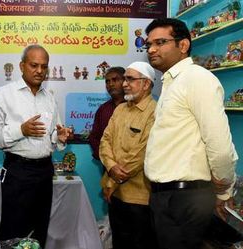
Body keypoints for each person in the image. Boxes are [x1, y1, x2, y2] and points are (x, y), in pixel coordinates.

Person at [144, 18, 238, 249]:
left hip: (185, 200)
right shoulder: (171, 83)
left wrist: (224, 192)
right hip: (166, 198)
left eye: (160, 42)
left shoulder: (197, 79)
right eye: (148, 44)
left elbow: (220, 146)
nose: (151, 49)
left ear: (183, 45)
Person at [0, 45, 72, 247]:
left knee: (39, 228)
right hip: (17, 170)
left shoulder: (49, 97)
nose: (39, 71)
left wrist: (59, 137)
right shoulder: (4, 94)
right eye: (34, 65)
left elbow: (50, 136)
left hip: (44, 171)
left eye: (44, 66)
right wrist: (21, 130)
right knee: (13, 229)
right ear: (22, 66)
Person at [99, 62, 157, 249]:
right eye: (125, 79)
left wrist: (112, 180)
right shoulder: (120, 109)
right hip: (114, 195)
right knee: (119, 243)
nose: (124, 84)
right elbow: (105, 141)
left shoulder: (156, 112)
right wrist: (111, 168)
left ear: (146, 84)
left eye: (130, 79)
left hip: (139, 198)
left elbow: (142, 154)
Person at [89, 67, 125, 160]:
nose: (111, 84)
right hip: (108, 165)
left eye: (115, 80)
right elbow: (94, 137)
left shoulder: (134, 107)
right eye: (107, 81)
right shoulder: (103, 109)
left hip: (131, 165)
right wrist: (105, 159)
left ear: (125, 81)